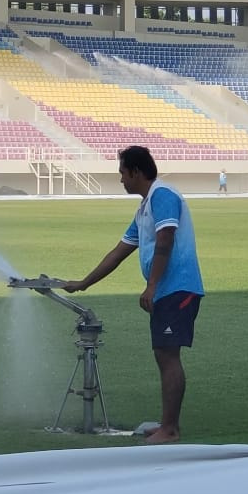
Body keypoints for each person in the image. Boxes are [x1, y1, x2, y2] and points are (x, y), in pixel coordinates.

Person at [63, 146, 204, 444]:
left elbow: (166, 238)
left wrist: (152, 285)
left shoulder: (162, 196)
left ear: (136, 172)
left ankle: (170, 430)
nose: (121, 180)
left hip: (177, 287)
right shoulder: (145, 208)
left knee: (168, 355)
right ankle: (167, 424)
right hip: (167, 289)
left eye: (122, 174)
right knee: (163, 354)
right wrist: (84, 283)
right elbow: (120, 251)